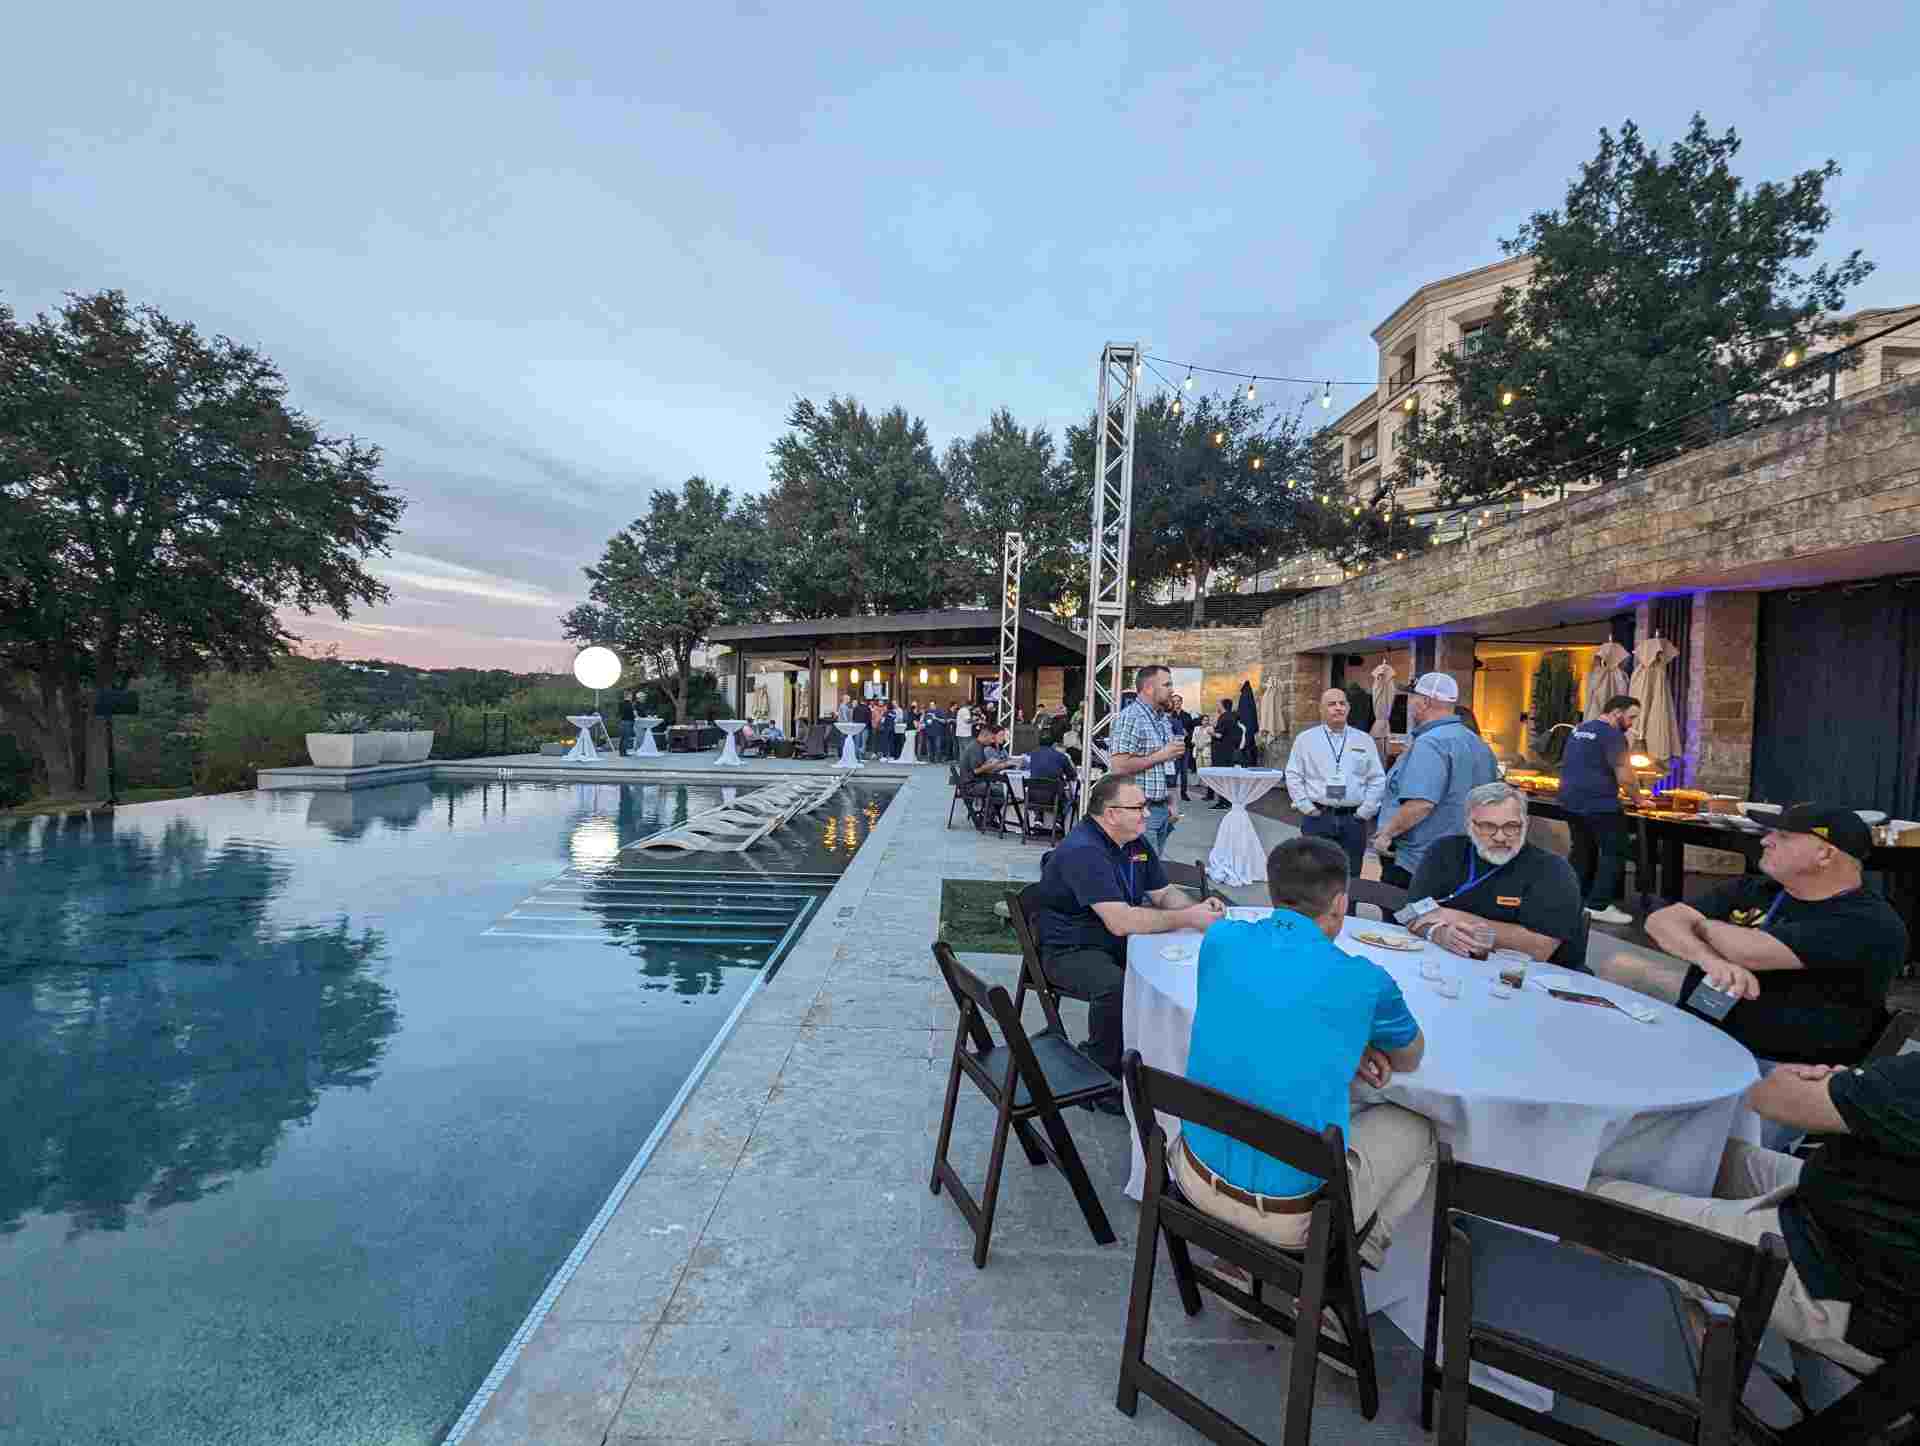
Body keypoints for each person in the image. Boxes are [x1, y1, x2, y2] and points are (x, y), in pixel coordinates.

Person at [1179, 835, 1433, 1279]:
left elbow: (1261, 1009)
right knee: (1423, 1127)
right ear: (1339, 903)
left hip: (1192, 1173)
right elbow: (1410, 1058)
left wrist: (1344, 1037)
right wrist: (1355, 1036)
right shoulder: (1363, 979)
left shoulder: (1220, 939)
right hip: (1289, 1214)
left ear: (1272, 893)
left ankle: (1242, 1263)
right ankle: (1337, 1274)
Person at [1591, 1051, 1920, 1376]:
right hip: (1843, 1217)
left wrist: (1824, 1084)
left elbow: (1769, 1096)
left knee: (1583, 1193)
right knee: (1689, 1145)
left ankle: (1691, 1369)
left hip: (1833, 1283)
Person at [1602, 805, 1909, 1064]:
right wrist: (1711, 961)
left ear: (1825, 855)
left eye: (1784, 836)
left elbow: (1748, 951)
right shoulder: (1759, 888)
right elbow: (1660, 921)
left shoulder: (1867, 923)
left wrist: (1703, 926)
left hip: (1779, 1071)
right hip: (1699, 1038)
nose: (1766, 841)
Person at [1031, 774, 1225, 1082]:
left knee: (1172, 966)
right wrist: (1189, 918)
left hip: (1112, 939)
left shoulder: (1134, 842)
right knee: (1116, 987)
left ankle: (1161, 1056)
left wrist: (1196, 909)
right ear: (1111, 813)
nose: (1147, 814)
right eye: (1139, 807)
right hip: (1070, 948)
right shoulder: (1084, 850)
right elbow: (1120, 922)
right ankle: (1101, 1072)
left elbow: (1162, 894)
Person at [1405, 781, 1588, 969]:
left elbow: (1539, 948)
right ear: (1469, 824)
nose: (1500, 837)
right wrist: (1437, 933)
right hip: (1452, 966)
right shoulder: (1443, 851)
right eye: (1487, 826)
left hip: (1533, 981)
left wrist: (1453, 917)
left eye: (1511, 826)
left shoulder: (1553, 870)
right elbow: (1410, 913)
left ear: (1526, 823)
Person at [1370, 672, 1500, 889]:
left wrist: (1386, 834)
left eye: (1413, 697)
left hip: (1417, 864)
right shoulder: (1478, 744)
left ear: (1424, 702)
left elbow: (1420, 804)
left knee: (1402, 920)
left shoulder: (1430, 743)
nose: (1410, 703)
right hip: (1461, 860)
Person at [1557, 693, 1644, 925]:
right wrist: (1639, 799)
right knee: (1613, 852)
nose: (1632, 723)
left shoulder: (1579, 730)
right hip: (1600, 803)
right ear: (1616, 712)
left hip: (1570, 801)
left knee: (1582, 850)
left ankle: (1571, 899)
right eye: (1631, 717)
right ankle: (1599, 906)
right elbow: (1625, 775)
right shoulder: (1613, 735)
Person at [1285, 687, 1387, 878]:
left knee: (1351, 876)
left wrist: (1366, 811)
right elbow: (1293, 775)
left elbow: (1377, 778)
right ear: (1321, 709)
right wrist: (1306, 807)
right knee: (1315, 874)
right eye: (1332, 704)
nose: (1338, 708)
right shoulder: (1305, 740)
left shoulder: (1364, 740)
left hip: (1353, 820)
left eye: (1342, 703)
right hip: (1318, 817)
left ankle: (1348, 909)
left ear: (1348, 708)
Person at [1108, 665, 1186, 854]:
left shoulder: (1162, 720)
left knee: (1151, 872)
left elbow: (1167, 767)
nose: (1172, 690)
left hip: (1161, 810)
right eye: (1167, 684)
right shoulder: (1131, 717)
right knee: (1140, 872)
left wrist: (1172, 802)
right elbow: (1118, 766)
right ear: (1149, 688)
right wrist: (1162, 755)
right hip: (1139, 813)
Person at [956, 719, 1016, 830]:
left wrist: (989, 765)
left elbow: (979, 768)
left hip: (973, 782)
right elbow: (976, 771)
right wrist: (989, 766)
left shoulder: (977, 746)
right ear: (985, 736)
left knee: (1000, 789)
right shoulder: (975, 748)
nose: (992, 741)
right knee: (1001, 791)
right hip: (970, 785)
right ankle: (988, 818)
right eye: (992, 738)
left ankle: (988, 817)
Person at [1169, 692, 1198, 801]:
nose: (1176, 703)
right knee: (1174, 771)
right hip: (1173, 748)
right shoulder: (1169, 715)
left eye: (1178, 701)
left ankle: (1184, 793)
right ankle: (1172, 794)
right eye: (1174, 701)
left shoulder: (1187, 716)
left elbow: (1192, 731)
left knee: (1184, 772)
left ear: (1181, 702)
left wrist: (1187, 734)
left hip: (1185, 747)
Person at [617, 689, 637, 756]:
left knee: (622, 738)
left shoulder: (621, 703)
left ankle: (621, 752)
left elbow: (619, 713)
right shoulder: (630, 704)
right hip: (628, 722)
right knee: (626, 738)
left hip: (622, 722)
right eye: (631, 695)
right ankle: (624, 752)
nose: (632, 696)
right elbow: (633, 713)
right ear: (628, 696)